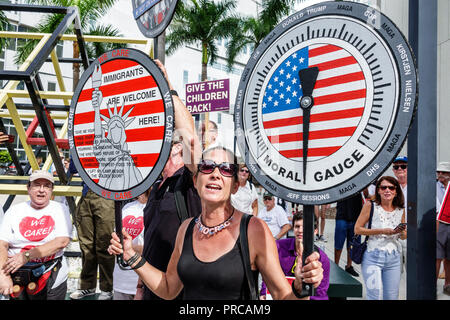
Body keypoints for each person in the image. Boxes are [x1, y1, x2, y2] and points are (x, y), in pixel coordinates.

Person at [108, 146, 323, 300]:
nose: (216, 174)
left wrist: (299, 288)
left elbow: (281, 295)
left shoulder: (254, 229)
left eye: (226, 168)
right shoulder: (186, 229)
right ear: (195, 180)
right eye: (208, 166)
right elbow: (168, 288)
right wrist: (131, 256)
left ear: (235, 186)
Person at [138, 60, 202, 301]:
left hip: (182, 292)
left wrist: (168, 88)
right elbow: (151, 243)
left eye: (160, 143)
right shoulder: (155, 187)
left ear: (176, 148)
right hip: (152, 290)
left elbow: (192, 139)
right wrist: (139, 288)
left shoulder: (189, 181)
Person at [0, 170, 72, 300]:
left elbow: (62, 241)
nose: (41, 190)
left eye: (46, 186)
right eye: (37, 185)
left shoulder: (60, 209)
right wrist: (3, 276)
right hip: (15, 273)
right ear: (28, 188)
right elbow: (2, 244)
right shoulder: (14, 210)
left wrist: (26, 256)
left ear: (52, 190)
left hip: (50, 272)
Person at [69, 160, 116, 300]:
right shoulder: (82, 141)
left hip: (107, 193)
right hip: (86, 193)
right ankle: (87, 287)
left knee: (105, 245)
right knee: (86, 246)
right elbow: (73, 167)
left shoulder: (108, 141)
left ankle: (107, 288)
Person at [354, 176, 407, 300]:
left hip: (394, 257)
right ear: (378, 190)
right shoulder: (370, 206)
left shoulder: (400, 209)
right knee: (374, 296)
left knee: (392, 296)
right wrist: (382, 231)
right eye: (383, 187)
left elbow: (403, 236)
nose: (387, 190)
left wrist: (403, 233)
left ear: (396, 191)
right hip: (373, 255)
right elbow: (357, 229)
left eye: (391, 188)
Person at [260, 212, 330, 300]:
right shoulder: (277, 247)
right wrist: (263, 293)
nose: (300, 230)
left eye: (305, 227)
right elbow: (268, 275)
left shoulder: (322, 259)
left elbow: (320, 295)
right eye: (297, 226)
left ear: (315, 231)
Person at [113, 190, 149, 300]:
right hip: (120, 281)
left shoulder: (156, 207)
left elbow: (154, 248)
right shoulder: (127, 207)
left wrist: (128, 248)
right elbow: (117, 239)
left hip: (144, 282)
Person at [334, 192, 364, 277]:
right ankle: (336, 265)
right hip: (342, 213)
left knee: (352, 244)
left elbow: (366, 194)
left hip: (356, 214)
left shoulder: (361, 180)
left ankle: (349, 266)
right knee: (338, 244)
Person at [392, 156, 408, 273]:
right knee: (394, 272)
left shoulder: (418, 185)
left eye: (403, 166)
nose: (399, 169)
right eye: (396, 167)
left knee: (413, 271)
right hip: (393, 235)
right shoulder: (389, 187)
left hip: (412, 235)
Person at [436, 161, 450, 295]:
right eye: (438, 172)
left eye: (443, 172)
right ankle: (432, 285)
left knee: (448, 258)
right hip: (438, 224)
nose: (440, 175)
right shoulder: (434, 186)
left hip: (447, 223)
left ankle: (447, 284)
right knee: (437, 256)